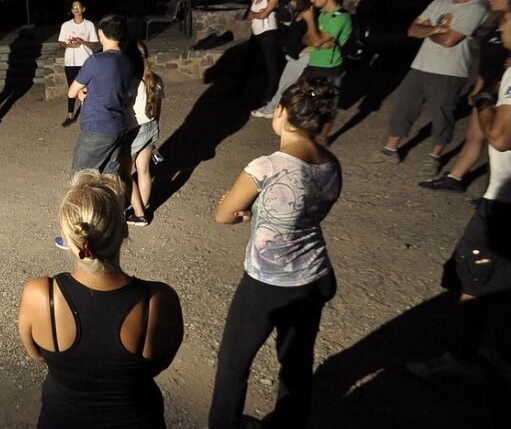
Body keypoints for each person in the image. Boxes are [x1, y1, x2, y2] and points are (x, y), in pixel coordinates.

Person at [407, 0, 511, 383]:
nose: (501, 27)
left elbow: (502, 138)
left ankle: (462, 357)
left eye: (505, 20)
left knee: (473, 277)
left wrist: (486, 99)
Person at [209, 77, 341, 429]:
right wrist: (258, 213)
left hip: (268, 282)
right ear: (324, 123)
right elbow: (301, 214)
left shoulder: (265, 167)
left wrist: (239, 210)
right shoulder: (330, 164)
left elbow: (222, 215)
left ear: (281, 113)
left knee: (233, 363)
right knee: (296, 363)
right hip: (314, 275)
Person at [18, 171, 184, 428]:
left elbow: (37, 354)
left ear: (68, 238)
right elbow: (160, 363)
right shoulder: (158, 300)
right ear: (124, 231)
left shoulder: (40, 294)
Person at [420, 0, 511, 191]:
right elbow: (487, 60)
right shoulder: (498, 22)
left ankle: (496, 190)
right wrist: (478, 87)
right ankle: (456, 178)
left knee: (502, 142)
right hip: (487, 88)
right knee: (474, 136)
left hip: (509, 90)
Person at [377, 0, 489, 179]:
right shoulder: (440, 2)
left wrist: (429, 29)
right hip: (421, 64)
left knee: (442, 113)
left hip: (449, 69)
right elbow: (412, 29)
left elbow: (450, 41)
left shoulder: (477, 8)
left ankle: (434, 156)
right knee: (404, 103)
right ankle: (391, 149)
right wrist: (439, 28)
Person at [67, 14, 132, 179]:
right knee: (110, 177)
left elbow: (72, 92)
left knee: (80, 177)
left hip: (96, 126)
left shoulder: (95, 61)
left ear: (100, 33)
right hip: (118, 126)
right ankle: (112, 204)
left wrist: (82, 94)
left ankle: (85, 206)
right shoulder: (126, 60)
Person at [300, 0, 352, 143]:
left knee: (327, 107)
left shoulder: (341, 16)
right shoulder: (322, 14)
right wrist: (318, 39)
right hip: (313, 64)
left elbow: (314, 40)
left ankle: (322, 138)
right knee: (301, 100)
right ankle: (304, 136)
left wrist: (310, 22)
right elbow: (306, 39)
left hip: (329, 68)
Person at [252, 0, 312, 119]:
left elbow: (311, 34)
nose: (292, 1)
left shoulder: (309, 15)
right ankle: (280, 110)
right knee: (287, 85)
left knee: (284, 85)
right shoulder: (299, 12)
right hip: (294, 56)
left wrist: (308, 50)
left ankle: (271, 109)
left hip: (301, 58)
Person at [126, 41, 163, 227]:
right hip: (151, 126)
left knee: (123, 173)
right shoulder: (156, 79)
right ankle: (143, 205)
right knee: (144, 169)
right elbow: (158, 110)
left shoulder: (132, 81)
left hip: (136, 130)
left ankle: (139, 213)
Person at [242, 0, 284, 108]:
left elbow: (263, 14)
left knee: (271, 68)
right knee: (247, 63)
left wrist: (257, 14)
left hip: (268, 34)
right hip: (256, 35)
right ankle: (239, 91)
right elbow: (248, 15)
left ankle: (269, 98)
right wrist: (257, 13)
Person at [58, 0, 100, 127]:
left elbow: (94, 44)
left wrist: (82, 42)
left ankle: (91, 115)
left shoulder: (89, 25)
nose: (76, 9)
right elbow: (61, 43)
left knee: (89, 89)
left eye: (78, 7)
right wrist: (69, 45)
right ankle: (70, 115)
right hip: (71, 62)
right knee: (72, 89)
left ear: (83, 9)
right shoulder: (66, 25)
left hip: (86, 61)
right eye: (73, 7)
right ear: (71, 10)